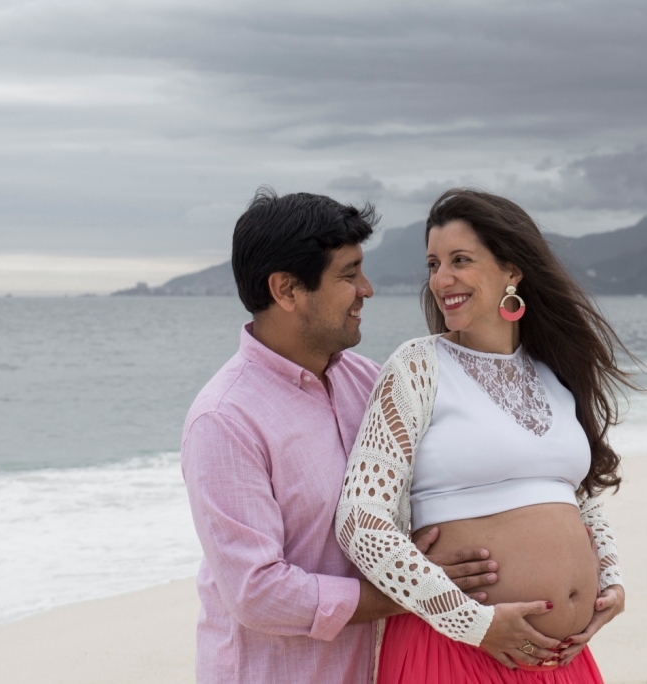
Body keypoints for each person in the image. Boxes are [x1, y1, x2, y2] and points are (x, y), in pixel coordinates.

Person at [180, 189, 501, 684]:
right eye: (348, 275)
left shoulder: (373, 382)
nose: (366, 289)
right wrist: (413, 592)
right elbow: (257, 592)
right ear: (287, 290)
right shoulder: (224, 419)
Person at [336, 189, 632, 683]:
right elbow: (360, 522)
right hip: (459, 652)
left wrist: (610, 580)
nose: (441, 279)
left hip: (562, 660)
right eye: (433, 264)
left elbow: (575, 499)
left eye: (460, 261)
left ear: (512, 270)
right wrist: (473, 622)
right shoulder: (417, 367)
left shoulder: (553, 374)